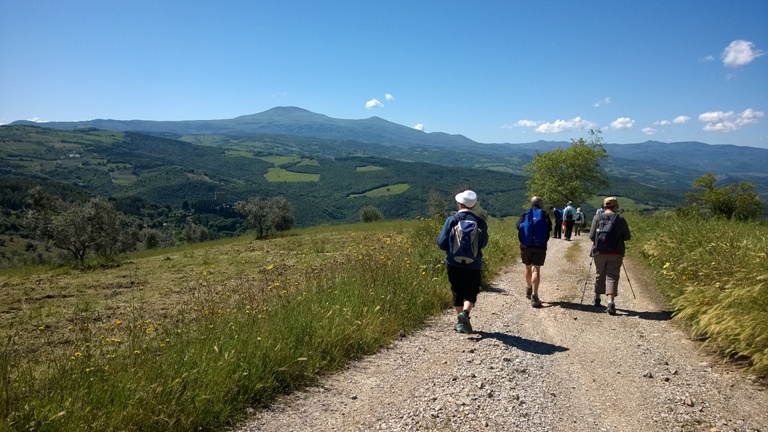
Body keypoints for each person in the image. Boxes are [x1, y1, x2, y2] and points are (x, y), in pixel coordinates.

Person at [436, 190, 489, 333]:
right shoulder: (480, 222)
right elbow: (483, 244)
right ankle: (464, 314)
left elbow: (441, 243)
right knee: (471, 292)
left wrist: (451, 250)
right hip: (474, 264)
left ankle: (460, 322)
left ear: (460, 204)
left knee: (457, 291)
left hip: (453, 262)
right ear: (474, 205)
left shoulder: (452, 220)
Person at [589, 197, 631, 315]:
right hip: (616, 252)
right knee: (612, 276)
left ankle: (597, 298)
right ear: (615, 206)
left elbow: (592, 236)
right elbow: (627, 237)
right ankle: (610, 302)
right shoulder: (620, 219)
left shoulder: (597, 217)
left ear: (604, 206)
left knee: (599, 273)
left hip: (599, 252)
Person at [517, 196, 552, 308]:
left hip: (526, 246)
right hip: (540, 246)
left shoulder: (525, 214)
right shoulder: (544, 215)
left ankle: (528, 288)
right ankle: (534, 296)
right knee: (535, 269)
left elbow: (518, 226)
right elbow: (549, 228)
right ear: (540, 203)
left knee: (528, 267)